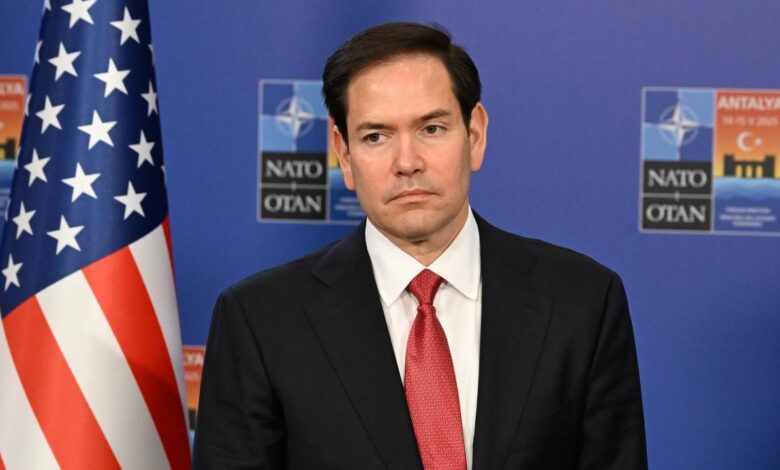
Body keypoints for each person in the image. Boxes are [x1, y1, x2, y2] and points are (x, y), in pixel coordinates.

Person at [193, 22, 647, 469]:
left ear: (475, 134)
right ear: (344, 154)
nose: (407, 162)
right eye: (376, 136)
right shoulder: (260, 320)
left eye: (431, 128)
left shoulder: (582, 301)